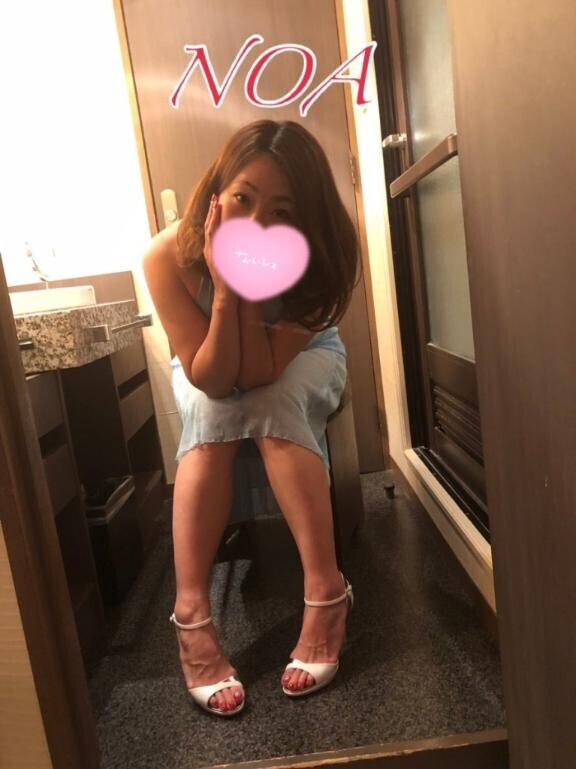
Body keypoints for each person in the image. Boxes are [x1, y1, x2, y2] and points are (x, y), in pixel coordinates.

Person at [143, 119, 360, 717]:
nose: (257, 223)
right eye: (243, 197)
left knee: (269, 399)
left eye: (282, 211)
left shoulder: (321, 260)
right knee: (210, 406)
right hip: (205, 359)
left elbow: (261, 371)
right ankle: (191, 611)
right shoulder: (165, 256)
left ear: (306, 220)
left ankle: (326, 590)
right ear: (217, 190)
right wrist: (224, 289)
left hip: (303, 358)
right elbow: (212, 376)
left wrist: (245, 281)